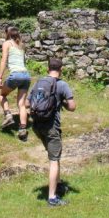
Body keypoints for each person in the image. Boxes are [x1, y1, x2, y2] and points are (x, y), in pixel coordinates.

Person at [27, 56, 76, 207]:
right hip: (51, 127)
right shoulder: (62, 85)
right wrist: (64, 104)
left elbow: (27, 103)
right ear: (61, 70)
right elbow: (73, 106)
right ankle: (52, 198)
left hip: (37, 126)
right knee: (54, 160)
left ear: (48, 69)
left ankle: (59, 184)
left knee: (55, 155)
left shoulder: (39, 82)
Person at [0, 26, 31, 140]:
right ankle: (22, 129)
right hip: (26, 76)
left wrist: (0, 77)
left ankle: (8, 115)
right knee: (21, 104)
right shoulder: (21, 45)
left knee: (2, 95)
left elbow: (4, 60)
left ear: (8, 33)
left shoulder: (7, 43)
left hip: (16, 75)